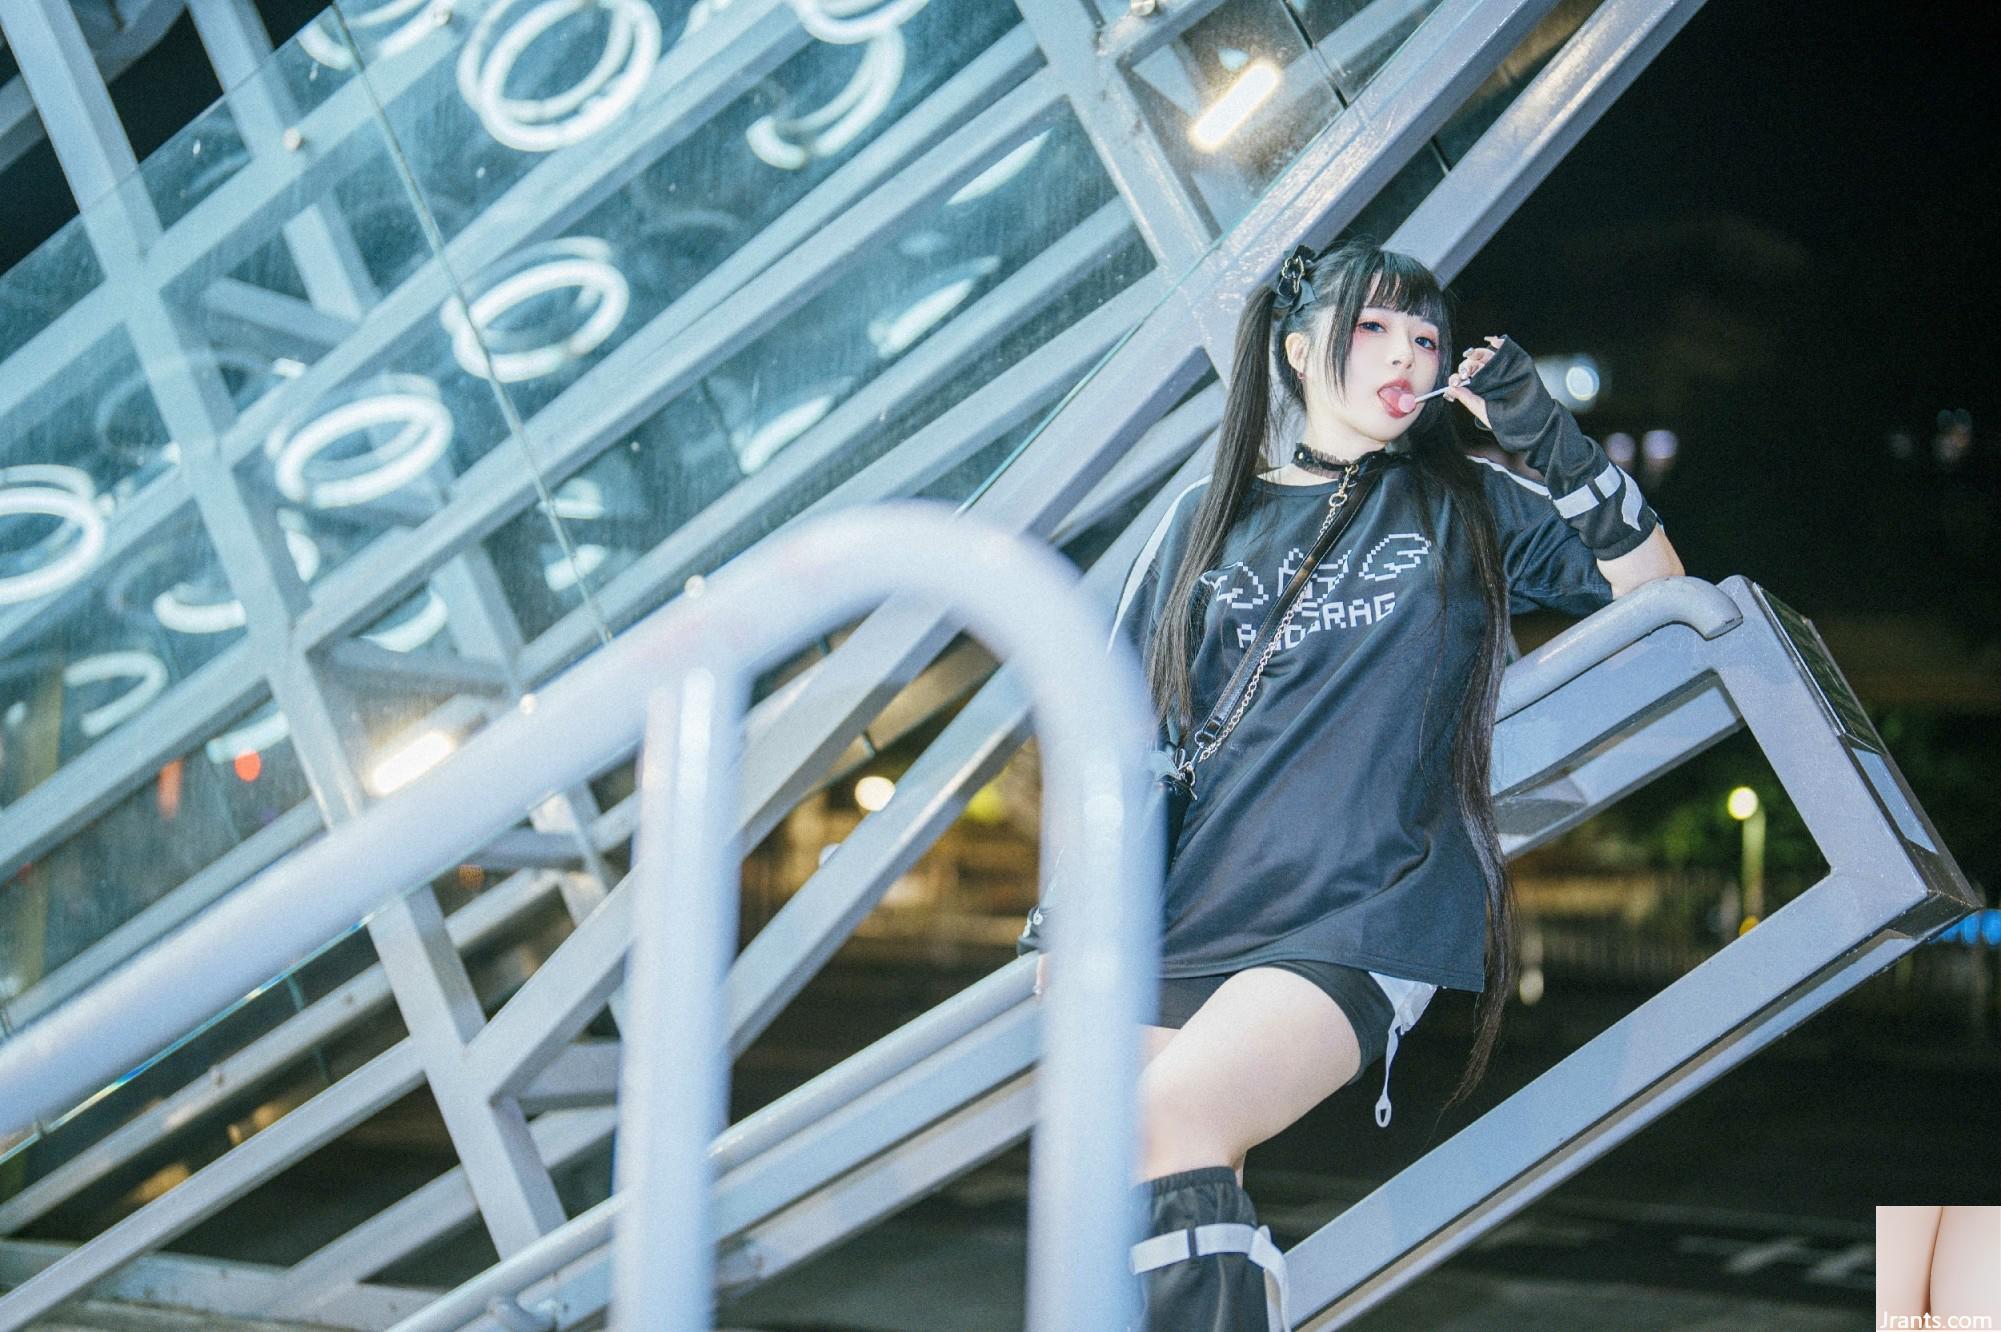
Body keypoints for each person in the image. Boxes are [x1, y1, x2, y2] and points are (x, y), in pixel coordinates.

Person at [1017, 237, 1685, 1330]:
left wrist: (1543, 433)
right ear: (1297, 352)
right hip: (1187, 906)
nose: (1406, 354)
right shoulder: (1201, 518)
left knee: (1163, 1124)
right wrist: (1066, 916)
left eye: (1425, 336)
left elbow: (1653, 587)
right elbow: (1120, 727)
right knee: (1125, 1178)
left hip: (1368, 904)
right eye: (1372, 327)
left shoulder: (1471, 503)